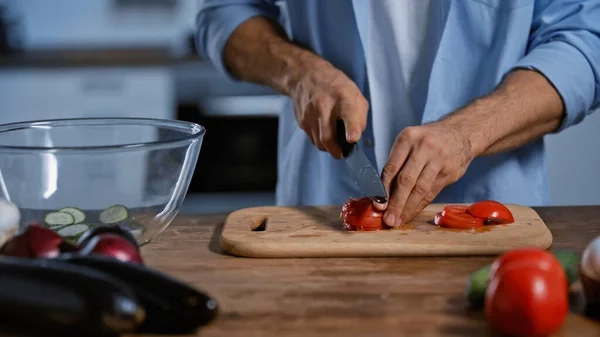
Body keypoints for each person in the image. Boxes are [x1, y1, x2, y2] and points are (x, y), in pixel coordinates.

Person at [195, 0, 600, 228]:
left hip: (492, 226)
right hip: (318, 218)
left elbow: (586, 40)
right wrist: (297, 71)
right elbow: (223, 11)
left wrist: (470, 133)